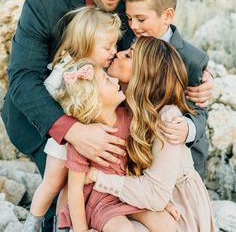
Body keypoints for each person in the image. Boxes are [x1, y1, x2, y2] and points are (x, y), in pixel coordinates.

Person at [1, 0, 212, 231]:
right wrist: (73, 131)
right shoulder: (43, 6)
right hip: (50, 124)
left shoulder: (131, 4)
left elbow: (162, 38)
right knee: (69, 209)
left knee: (150, 206)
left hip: (115, 123)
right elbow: (22, 80)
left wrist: (199, 73)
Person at [86, 37, 216, 232]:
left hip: (177, 207)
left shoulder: (168, 119)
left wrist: (98, 178)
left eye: (129, 55)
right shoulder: (118, 104)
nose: (118, 53)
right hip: (137, 200)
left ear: (145, 73)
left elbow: (155, 194)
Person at [21, 6, 122, 232]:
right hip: (64, 141)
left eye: (115, 45)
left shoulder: (98, 71)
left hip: (87, 143)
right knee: (53, 183)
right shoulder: (69, 69)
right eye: (107, 47)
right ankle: (32, 223)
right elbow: (47, 93)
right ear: (86, 43)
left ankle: (63, 225)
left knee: (72, 186)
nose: (114, 51)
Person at [53, 59, 179, 232]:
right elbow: (74, 189)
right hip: (101, 203)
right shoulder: (84, 139)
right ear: (94, 99)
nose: (114, 80)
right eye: (106, 79)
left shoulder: (128, 117)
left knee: (167, 223)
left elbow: (142, 163)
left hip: (129, 193)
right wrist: (81, 230)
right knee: (123, 229)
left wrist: (162, 204)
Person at [122, 0, 210, 178]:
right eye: (129, 18)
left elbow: (199, 109)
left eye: (141, 19)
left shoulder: (191, 59)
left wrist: (187, 128)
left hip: (180, 155)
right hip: (139, 147)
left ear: (167, 16)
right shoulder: (127, 42)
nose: (134, 25)